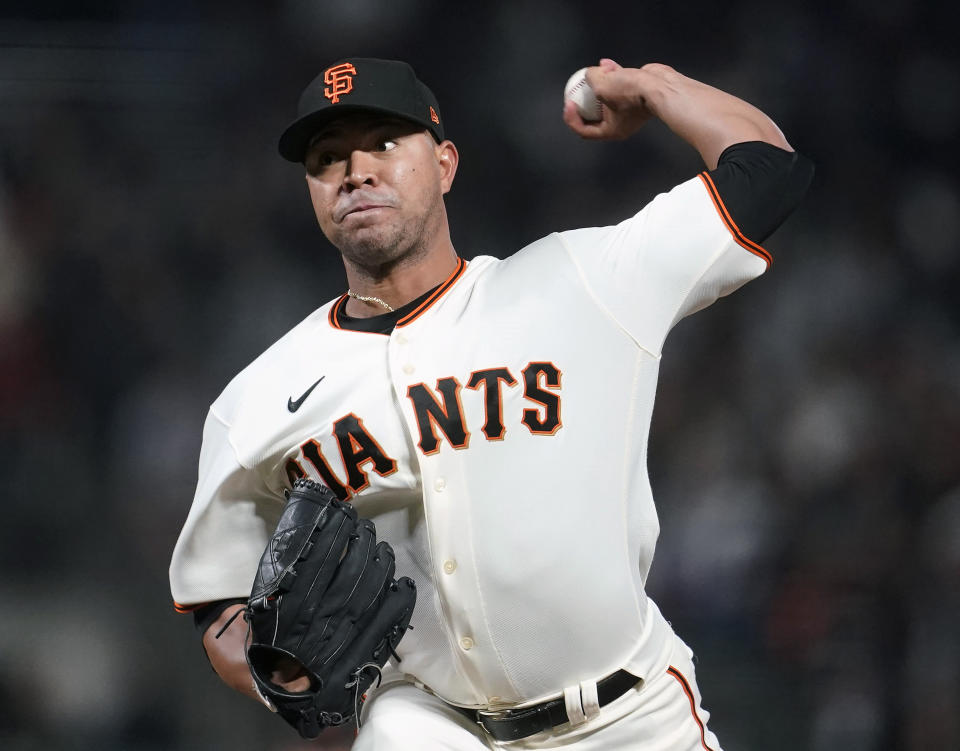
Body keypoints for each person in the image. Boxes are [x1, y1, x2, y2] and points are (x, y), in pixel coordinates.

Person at [170, 56, 813, 749]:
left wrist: (652, 87)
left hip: (631, 720)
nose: (355, 171)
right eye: (328, 159)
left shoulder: (580, 282)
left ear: (445, 165)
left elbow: (766, 168)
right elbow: (217, 601)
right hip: (431, 723)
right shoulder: (261, 398)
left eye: (384, 144)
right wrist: (279, 676)